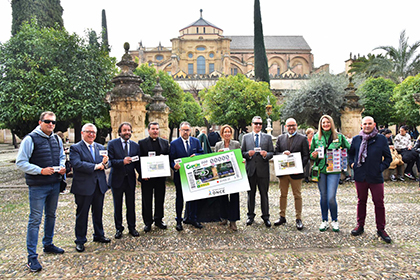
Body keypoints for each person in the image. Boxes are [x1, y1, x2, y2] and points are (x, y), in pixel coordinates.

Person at [16, 111, 66, 272]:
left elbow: (61, 156)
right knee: (35, 220)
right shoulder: (30, 139)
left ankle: (48, 244)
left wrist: (62, 166)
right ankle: (32, 257)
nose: (50, 124)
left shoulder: (56, 138)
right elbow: (21, 162)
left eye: (53, 122)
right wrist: (40, 170)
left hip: (54, 184)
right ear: (40, 122)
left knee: (51, 215)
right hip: (38, 185)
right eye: (47, 121)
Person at [348, 116, 392, 243]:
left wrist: (380, 168)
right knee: (361, 201)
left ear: (374, 125)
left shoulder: (381, 139)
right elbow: (351, 154)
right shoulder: (357, 139)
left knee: (379, 202)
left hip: (375, 175)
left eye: (369, 123)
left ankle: (381, 229)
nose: (367, 126)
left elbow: (388, 158)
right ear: (361, 125)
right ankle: (360, 225)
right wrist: (352, 164)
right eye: (365, 124)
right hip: (360, 175)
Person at [70, 123, 110, 253]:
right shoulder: (75, 148)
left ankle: (99, 235)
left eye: (93, 132)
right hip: (83, 186)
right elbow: (76, 164)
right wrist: (96, 166)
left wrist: (106, 162)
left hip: (99, 185)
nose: (91, 134)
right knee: (82, 214)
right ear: (82, 133)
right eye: (89, 132)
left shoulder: (99, 147)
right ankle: (80, 240)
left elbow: (105, 165)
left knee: (98, 212)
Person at [310, 115, 350, 232]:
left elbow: (349, 148)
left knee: (331, 197)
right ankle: (324, 220)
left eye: (328, 122)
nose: (326, 124)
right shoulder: (316, 137)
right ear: (320, 125)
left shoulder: (340, 137)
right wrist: (313, 154)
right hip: (321, 170)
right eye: (323, 123)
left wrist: (344, 153)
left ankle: (335, 220)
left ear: (331, 124)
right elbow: (312, 152)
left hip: (334, 170)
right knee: (323, 196)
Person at [274, 118, 309, 230]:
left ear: (296, 125)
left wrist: (298, 167)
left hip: (296, 173)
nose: (291, 127)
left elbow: (306, 156)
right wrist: (282, 153)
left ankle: (298, 218)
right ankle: (282, 216)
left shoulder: (303, 139)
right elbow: (276, 153)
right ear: (285, 127)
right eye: (289, 126)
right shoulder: (280, 138)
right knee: (283, 195)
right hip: (283, 173)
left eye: (293, 125)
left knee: (297, 196)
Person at [108, 122, 141, 239]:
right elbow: (110, 162)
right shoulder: (112, 144)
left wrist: (142, 175)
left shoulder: (135, 146)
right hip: (117, 179)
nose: (127, 132)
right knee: (118, 206)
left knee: (131, 205)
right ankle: (119, 228)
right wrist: (122, 162)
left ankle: (132, 227)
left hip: (130, 180)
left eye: (129, 130)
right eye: (125, 130)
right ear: (120, 132)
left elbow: (137, 163)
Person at [170, 121, 204, 231]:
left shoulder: (196, 141)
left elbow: (202, 153)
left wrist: (197, 155)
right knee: (180, 197)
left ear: (190, 131)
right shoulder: (174, 144)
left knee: (194, 197)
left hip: (193, 175)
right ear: (180, 131)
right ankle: (179, 220)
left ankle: (193, 218)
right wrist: (174, 166)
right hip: (180, 175)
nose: (185, 132)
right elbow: (170, 159)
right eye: (183, 130)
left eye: (187, 130)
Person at [241, 116, 274, 227]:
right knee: (251, 195)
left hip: (263, 171)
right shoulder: (245, 137)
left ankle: (266, 217)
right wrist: (247, 155)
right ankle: (250, 216)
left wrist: (266, 155)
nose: (258, 125)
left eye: (260, 124)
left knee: (264, 195)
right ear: (252, 124)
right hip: (250, 170)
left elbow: (272, 153)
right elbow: (242, 153)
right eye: (256, 123)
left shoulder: (268, 137)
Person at [139, 122, 170, 232]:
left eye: (157, 129)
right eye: (153, 129)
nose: (155, 131)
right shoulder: (142, 143)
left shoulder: (165, 143)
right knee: (147, 200)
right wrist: (142, 174)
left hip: (160, 178)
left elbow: (169, 157)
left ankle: (158, 220)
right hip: (147, 178)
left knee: (160, 199)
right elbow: (139, 160)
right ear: (148, 130)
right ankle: (147, 222)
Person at [214, 124, 241, 231]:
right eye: (225, 132)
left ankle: (233, 221)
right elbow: (213, 160)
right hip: (222, 175)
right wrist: (217, 154)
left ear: (231, 133)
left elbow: (239, 157)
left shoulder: (236, 144)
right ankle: (224, 218)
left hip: (233, 174)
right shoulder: (218, 145)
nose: (227, 134)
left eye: (229, 132)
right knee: (223, 197)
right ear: (222, 134)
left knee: (234, 197)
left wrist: (242, 160)